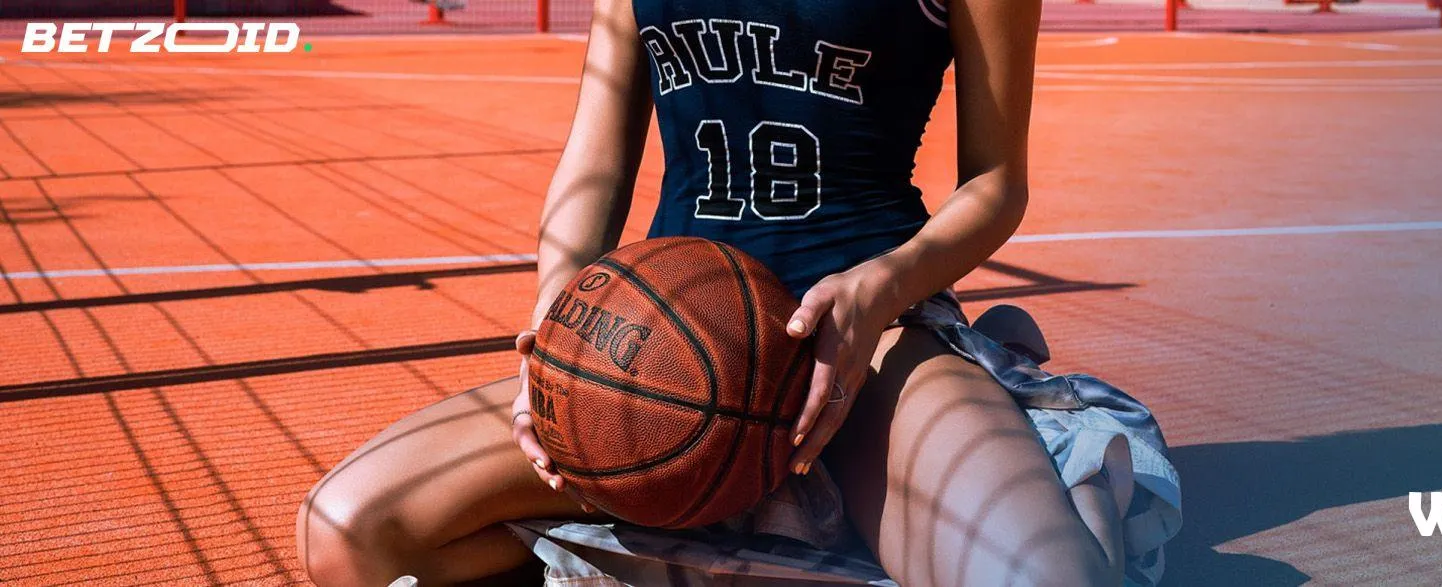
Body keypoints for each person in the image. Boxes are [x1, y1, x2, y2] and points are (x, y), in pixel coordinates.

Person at [296, 0, 1180, 584]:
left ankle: (1047, 457)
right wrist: (561, 330)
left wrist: (881, 286)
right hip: (658, 350)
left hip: (868, 331)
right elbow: (597, 162)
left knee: (1049, 577)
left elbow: (995, 182)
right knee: (344, 531)